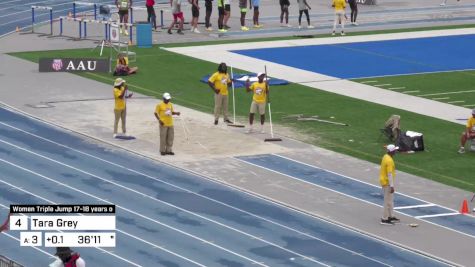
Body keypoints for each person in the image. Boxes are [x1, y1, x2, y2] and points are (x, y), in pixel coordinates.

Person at [379, 144, 400, 225]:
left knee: (390, 201)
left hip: (384, 181)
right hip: (387, 183)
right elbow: (390, 174)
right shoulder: (389, 161)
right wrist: (392, 186)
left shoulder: (385, 156)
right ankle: (384, 219)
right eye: (395, 150)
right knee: (387, 201)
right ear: (392, 151)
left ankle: (391, 216)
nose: (396, 151)